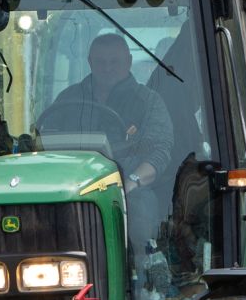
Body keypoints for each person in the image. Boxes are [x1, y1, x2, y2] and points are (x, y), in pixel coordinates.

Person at [46, 33, 172, 280]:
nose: (107, 67)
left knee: (141, 211)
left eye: (114, 61)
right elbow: (46, 141)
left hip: (128, 190)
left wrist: (132, 181)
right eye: (101, 61)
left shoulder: (148, 102)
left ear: (127, 61)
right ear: (90, 61)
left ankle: (142, 280)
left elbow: (160, 151)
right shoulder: (68, 100)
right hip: (70, 191)